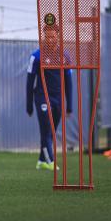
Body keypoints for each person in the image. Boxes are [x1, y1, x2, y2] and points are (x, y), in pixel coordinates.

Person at [26, 24, 72, 171]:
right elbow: (29, 81)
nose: (50, 39)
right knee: (46, 128)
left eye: (53, 36)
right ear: (43, 37)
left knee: (51, 131)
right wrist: (29, 104)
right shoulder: (36, 56)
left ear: (58, 36)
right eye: (47, 37)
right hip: (42, 98)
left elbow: (69, 81)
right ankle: (50, 160)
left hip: (58, 99)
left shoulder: (65, 56)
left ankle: (41, 160)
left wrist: (69, 104)